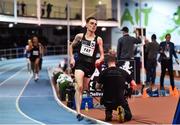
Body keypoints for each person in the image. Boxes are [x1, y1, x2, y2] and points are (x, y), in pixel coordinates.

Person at [69, 17, 104, 121]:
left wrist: (99, 60)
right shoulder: (80, 36)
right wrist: (72, 58)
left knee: (84, 89)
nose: (94, 26)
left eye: (95, 24)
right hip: (79, 64)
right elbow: (71, 46)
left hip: (90, 66)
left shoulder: (98, 39)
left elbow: (102, 55)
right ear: (86, 25)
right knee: (79, 87)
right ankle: (78, 113)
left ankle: (77, 102)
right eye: (92, 23)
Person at [97, 50, 136, 122]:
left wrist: (102, 87)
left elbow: (97, 87)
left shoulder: (103, 72)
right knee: (129, 117)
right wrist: (129, 91)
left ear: (107, 63)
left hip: (107, 100)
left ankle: (108, 113)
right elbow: (133, 84)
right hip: (120, 100)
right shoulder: (123, 72)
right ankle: (123, 112)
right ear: (116, 62)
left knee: (107, 101)